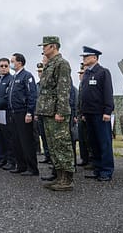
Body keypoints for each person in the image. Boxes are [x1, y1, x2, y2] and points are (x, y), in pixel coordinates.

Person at [36, 36, 75, 191]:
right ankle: (59, 176)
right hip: (47, 111)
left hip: (56, 112)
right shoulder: (49, 64)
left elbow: (64, 90)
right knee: (53, 146)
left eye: (45, 46)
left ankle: (67, 179)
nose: (43, 49)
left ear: (53, 46)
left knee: (62, 145)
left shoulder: (61, 64)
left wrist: (61, 111)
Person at [79, 46, 115, 182]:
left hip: (100, 114)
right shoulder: (87, 74)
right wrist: (83, 112)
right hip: (88, 113)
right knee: (93, 143)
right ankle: (97, 168)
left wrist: (107, 111)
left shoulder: (103, 72)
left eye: (86, 57)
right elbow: (84, 95)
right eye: (83, 57)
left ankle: (106, 171)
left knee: (104, 143)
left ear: (94, 58)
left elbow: (107, 93)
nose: (84, 59)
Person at [6, 53, 38, 177]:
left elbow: (32, 95)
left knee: (26, 141)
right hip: (13, 113)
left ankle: (32, 168)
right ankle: (21, 165)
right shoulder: (14, 78)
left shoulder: (27, 76)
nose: (11, 63)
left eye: (12, 61)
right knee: (16, 141)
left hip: (23, 113)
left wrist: (30, 112)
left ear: (19, 62)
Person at [75, 67, 92, 169]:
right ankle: (84, 158)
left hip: (87, 115)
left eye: (83, 73)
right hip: (81, 116)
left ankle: (91, 160)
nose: (80, 75)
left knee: (89, 139)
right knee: (82, 139)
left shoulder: (88, 84)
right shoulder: (81, 85)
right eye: (80, 73)